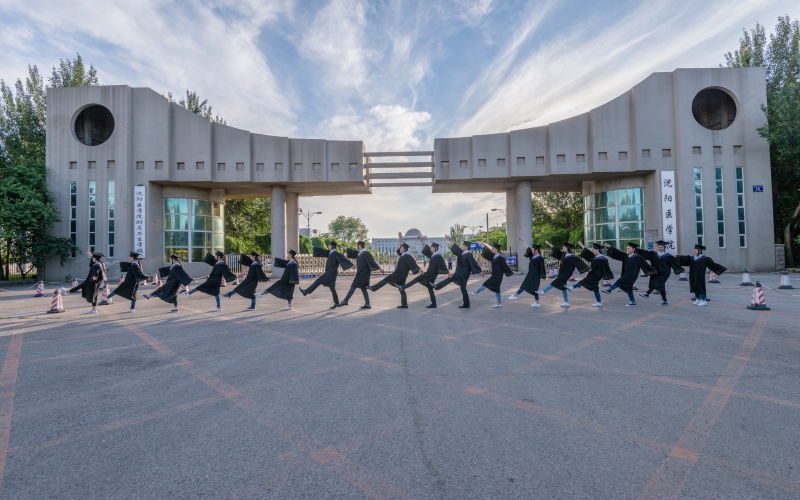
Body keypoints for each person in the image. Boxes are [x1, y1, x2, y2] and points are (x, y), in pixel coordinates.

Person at [368, 232, 421, 308]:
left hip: (399, 274)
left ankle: (374, 288)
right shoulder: (403, 255)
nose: (400, 249)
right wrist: (400, 238)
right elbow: (400, 245)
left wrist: (419, 270)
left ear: (404, 249)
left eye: (401, 248)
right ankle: (404, 304)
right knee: (401, 289)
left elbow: (413, 264)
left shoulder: (407, 256)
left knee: (387, 279)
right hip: (402, 275)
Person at [431, 236, 483, 308]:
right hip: (460, 272)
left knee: (452, 279)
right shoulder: (462, 253)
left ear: (466, 247)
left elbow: (473, 263)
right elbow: (456, 248)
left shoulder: (468, 254)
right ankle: (466, 304)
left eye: (463, 245)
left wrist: (480, 271)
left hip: (463, 273)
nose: (462, 246)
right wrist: (450, 240)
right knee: (463, 288)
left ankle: (437, 286)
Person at [300, 241, 354, 308]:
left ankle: (306, 291)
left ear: (332, 246)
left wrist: (351, 265)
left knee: (319, 280)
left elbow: (342, 258)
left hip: (331, 272)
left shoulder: (335, 253)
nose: (328, 246)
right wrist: (313, 247)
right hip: (331, 272)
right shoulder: (330, 253)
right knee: (332, 288)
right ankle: (336, 302)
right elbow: (323, 251)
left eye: (329, 245)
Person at [400, 236, 448, 308]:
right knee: (430, 288)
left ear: (435, 248)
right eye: (431, 247)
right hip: (430, 274)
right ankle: (434, 303)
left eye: (432, 247)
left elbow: (443, 265)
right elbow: (427, 248)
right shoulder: (433, 255)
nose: (431, 248)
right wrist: (422, 241)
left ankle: (403, 287)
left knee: (417, 279)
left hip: (430, 274)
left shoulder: (438, 256)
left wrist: (448, 273)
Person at [636, 240, 685, 305]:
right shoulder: (653, 254)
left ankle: (647, 293)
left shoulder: (668, 256)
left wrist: (681, 269)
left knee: (655, 281)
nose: (660, 248)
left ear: (664, 248)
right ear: (657, 247)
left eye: (662, 247)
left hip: (665, 272)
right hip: (656, 272)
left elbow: (674, 263)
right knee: (661, 286)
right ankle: (664, 300)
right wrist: (635, 248)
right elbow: (644, 252)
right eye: (659, 247)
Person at [540, 241, 589, 307]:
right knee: (563, 287)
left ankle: (544, 291)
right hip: (562, 272)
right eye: (563, 247)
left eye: (565, 248)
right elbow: (556, 249)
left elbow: (580, 262)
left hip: (567, 273)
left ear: (568, 248)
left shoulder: (572, 256)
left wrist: (588, 268)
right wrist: (549, 244)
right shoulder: (563, 255)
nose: (563, 248)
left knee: (555, 281)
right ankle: (566, 302)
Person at [567, 242, 614, 307]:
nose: (592, 250)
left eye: (593, 249)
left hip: (597, 274)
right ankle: (599, 302)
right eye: (592, 249)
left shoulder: (602, 258)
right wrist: (581, 245)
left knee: (584, 280)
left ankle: (572, 287)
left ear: (598, 250)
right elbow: (587, 252)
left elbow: (606, 268)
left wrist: (606, 275)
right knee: (595, 288)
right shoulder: (595, 257)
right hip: (593, 273)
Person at [470, 242, 514, 308]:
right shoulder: (493, 256)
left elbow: (505, 266)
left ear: (497, 249)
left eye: (493, 248)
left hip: (498, 275)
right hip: (495, 274)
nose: (492, 249)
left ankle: (476, 292)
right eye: (492, 248)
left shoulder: (500, 257)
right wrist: (482, 245)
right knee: (497, 289)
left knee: (486, 283)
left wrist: (511, 273)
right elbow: (487, 251)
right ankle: (499, 303)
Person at [339, 241, 380, 309]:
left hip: (363, 274)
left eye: (357, 245)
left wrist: (380, 268)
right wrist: (342, 247)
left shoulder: (365, 253)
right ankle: (368, 304)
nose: (356, 246)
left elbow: (372, 261)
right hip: (361, 273)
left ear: (360, 245)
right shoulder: (359, 254)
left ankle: (345, 300)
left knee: (353, 286)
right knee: (363, 288)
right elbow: (350, 251)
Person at [507, 238, 547, 307]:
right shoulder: (532, 256)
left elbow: (542, 267)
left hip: (535, 275)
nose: (531, 250)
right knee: (532, 288)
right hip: (530, 273)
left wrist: (542, 275)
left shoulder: (540, 258)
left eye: (533, 249)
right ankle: (537, 303)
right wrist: (523, 241)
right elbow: (527, 248)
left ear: (536, 250)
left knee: (528, 286)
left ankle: (516, 295)